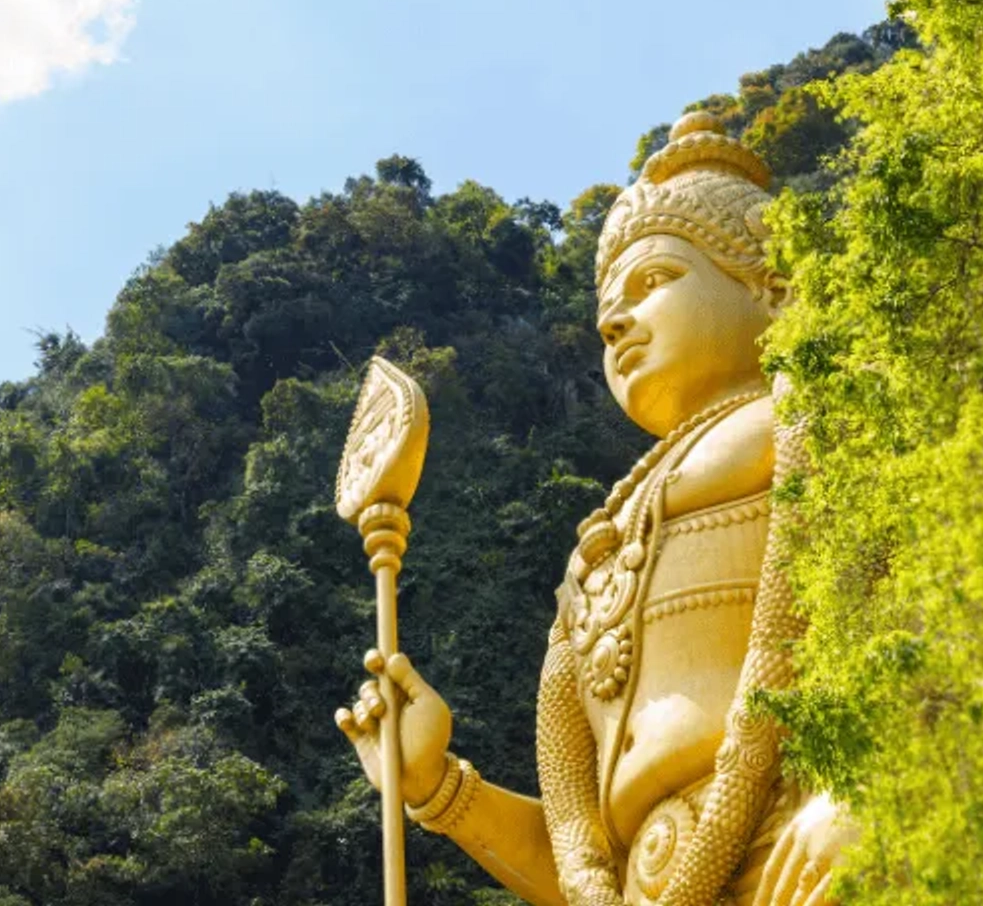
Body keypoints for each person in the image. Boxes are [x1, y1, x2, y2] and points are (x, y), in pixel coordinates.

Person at [335, 113, 854, 906]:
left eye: (655, 282)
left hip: (806, 850)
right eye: (608, 306)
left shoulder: (824, 422)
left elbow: (954, 609)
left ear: (772, 289)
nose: (615, 321)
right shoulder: (599, 551)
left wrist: (863, 797)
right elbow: (583, 867)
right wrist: (437, 787)